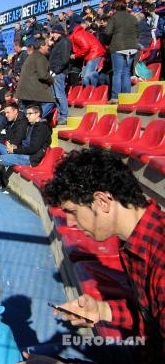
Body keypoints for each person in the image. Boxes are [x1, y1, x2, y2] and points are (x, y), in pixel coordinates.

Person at [44, 148, 165, 361]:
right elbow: (150, 316)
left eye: (72, 211)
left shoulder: (160, 257)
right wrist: (102, 310)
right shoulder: (136, 241)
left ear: (102, 201)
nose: (70, 222)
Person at [0, 104, 51, 197]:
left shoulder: (42, 128)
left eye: (30, 114)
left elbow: (33, 149)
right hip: (22, 152)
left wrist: (15, 150)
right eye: (26, 113)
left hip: (29, 158)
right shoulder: (31, 125)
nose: (27, 116)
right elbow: (24, 142)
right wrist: (15, 147)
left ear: (38, 114)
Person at [105, 0, 140, 101]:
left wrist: (107, 42)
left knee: (117, 73)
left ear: (115, 7)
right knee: (126, 73)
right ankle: (126, 97)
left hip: (118, 47)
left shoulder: (114, 18)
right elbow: (138, 32)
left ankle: (115, 97)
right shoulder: (133, 18)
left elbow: (107, 32)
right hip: (132, 47)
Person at [15, 37, 55, 118]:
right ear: (41, 46)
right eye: (47, 45)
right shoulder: (41, 57)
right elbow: (43, 75)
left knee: (27, 110)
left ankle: (27, 120)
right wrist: (52, 80)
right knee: (50, 102)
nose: (48, 47)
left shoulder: (31, 56)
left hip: (23, 91)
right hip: (32, 91)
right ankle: (34, 118)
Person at [68, 22, 105, 88]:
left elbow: (86, 47)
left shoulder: (77, 35)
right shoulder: (79, 33)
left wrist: (75, 55)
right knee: (87, 76)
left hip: (94, 54)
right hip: (93, 54)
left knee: (86, 77)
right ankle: (91, 91)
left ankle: (92, 91)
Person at [48, 25, 72, 125]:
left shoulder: (65, 41)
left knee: (59, 94)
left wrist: (56, 71)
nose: (52, 35)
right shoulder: (57, 43)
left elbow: (65, 59)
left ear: (58, 32)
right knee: (54, 96)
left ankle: (64, 116)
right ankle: (59, 115)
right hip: (54, 72)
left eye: (53, 33)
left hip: (59, 72)